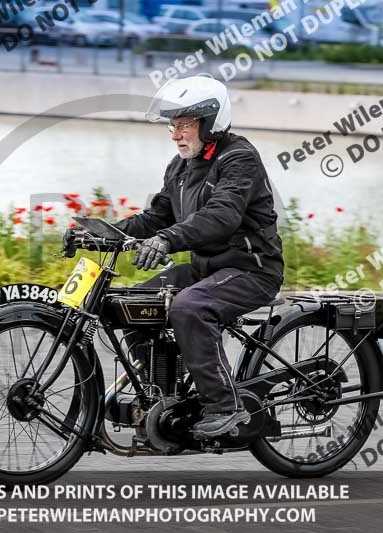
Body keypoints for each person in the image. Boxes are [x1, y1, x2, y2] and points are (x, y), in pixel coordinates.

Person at [113, 75, 285, 439]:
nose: (176, 134)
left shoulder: (239, 158)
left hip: (251, 269)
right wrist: (104, 233)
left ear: (210, 122)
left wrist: (167, 239)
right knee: (134, 304)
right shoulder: (179, 168)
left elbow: (222, 216)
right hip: (205, 268)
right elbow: (156, 217)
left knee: (190, 308)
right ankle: (165, 397)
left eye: (185, 126)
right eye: (173, 126)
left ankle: (225, 405)